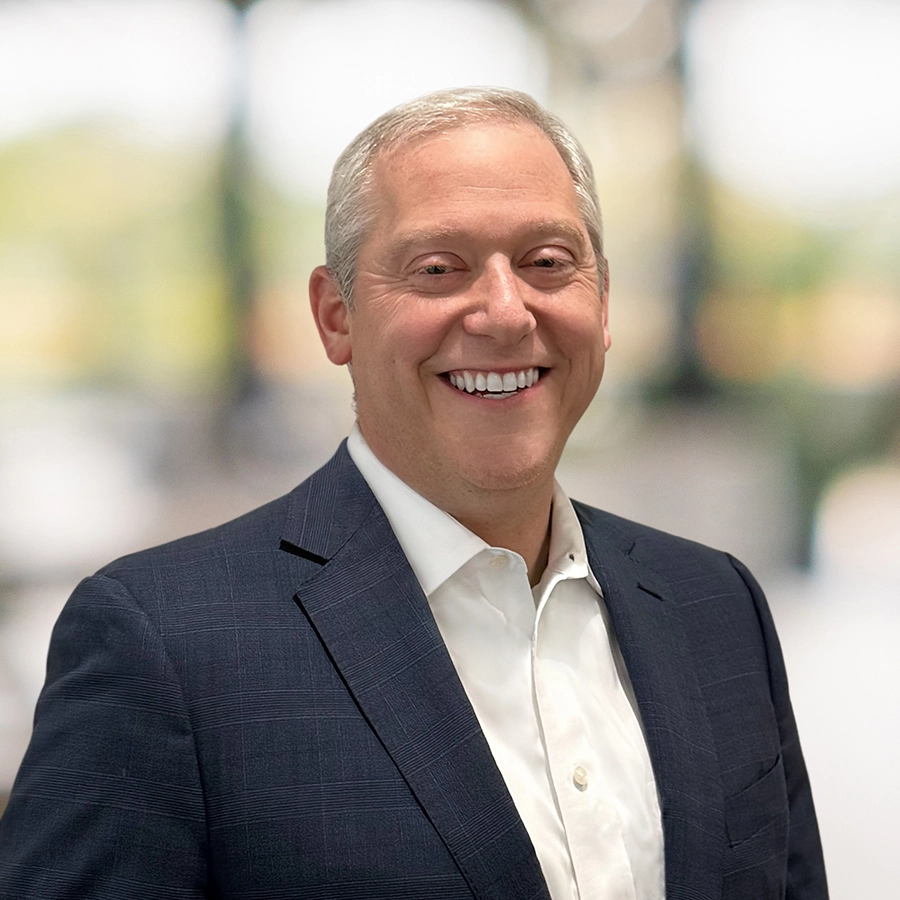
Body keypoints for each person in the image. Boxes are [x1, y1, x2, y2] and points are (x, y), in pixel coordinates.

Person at [0, 88, 827, 900]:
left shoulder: (717, 606)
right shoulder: (163, 644)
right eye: (438, 269)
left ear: (602, 300)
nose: (506, 313)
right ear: (336, 317)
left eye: (547, 262)